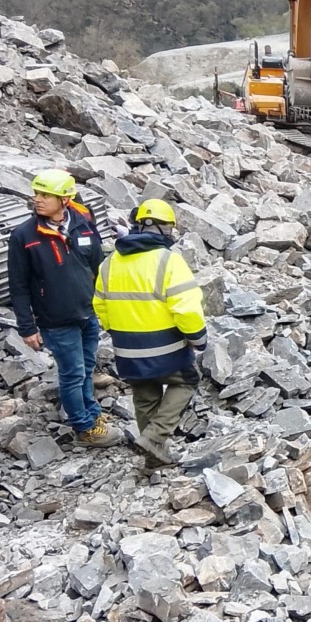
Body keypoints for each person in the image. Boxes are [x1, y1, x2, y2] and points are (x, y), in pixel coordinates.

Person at [7, 170, 123, 447]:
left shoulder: (82, 224)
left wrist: (102, 305)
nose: (38, 199)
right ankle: (84, 429)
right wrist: (27, 327)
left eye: (46, 195)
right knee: (72, 373)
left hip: (87, 312)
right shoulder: (25, 236)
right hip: (56, 319)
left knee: (86, 369)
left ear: (65, 199)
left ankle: (92, 413)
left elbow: (96, 266)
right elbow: (19, 285)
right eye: (36, 193)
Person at [93, 199, 207, 467]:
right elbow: (186, 309)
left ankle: (154, 459)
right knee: (187, 380)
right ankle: (155, 437)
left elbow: (99, 304)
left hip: (126, 347)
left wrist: (117, 331)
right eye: (168, 228)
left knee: (145, 395)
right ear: (160, 228)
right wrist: (198, 338)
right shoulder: (168, 261)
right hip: (165, 346)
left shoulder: (110, 262)